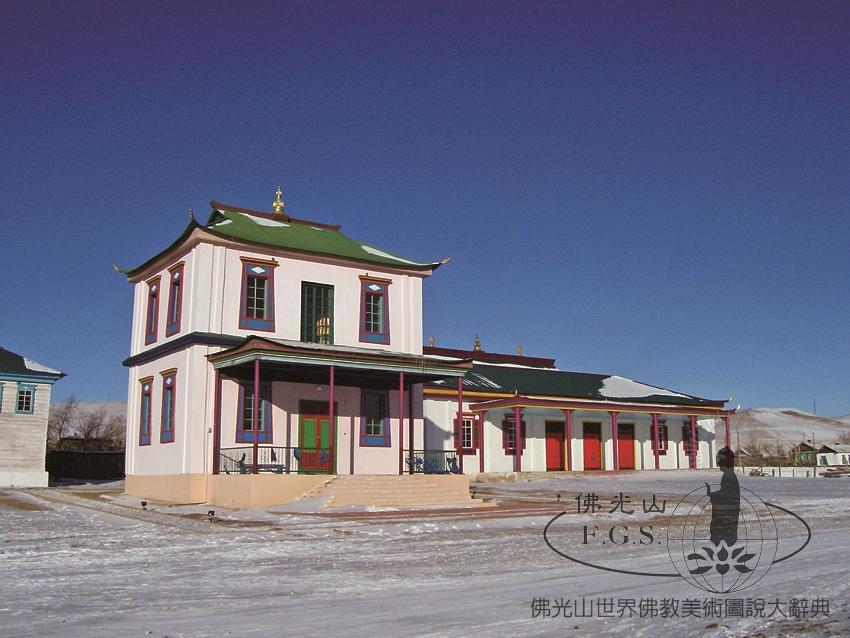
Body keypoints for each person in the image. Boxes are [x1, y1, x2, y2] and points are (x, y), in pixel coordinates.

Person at [705, 446, 740, 547]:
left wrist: (713, 495)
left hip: (729, 510)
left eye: (720, 460)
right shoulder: (728, 475)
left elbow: (728, 494)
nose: (718, 463)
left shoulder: (729, 476)